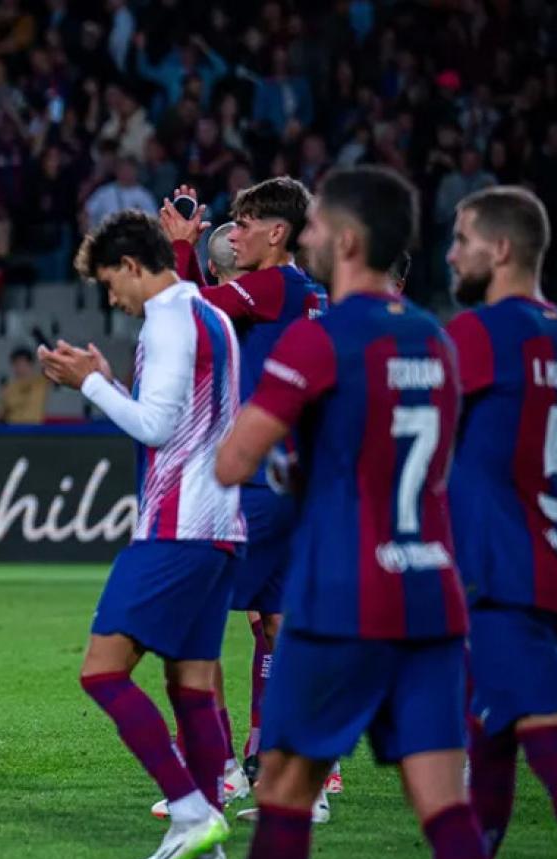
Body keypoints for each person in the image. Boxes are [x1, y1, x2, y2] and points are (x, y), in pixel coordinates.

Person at [214, 166, 491, 859]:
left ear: (350, 239)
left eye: (316, 226)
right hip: (432, 597)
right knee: (444, 809)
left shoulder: (320, 337)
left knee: (285, 793)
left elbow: (236, 461)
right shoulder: (437, 340)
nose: (304, 238)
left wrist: (291, 463)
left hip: (343, 597)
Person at [378, 186, 557, 859]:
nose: (450, 254)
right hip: (543, 564)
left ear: (499, 250)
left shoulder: (483, 333)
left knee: (553, 757)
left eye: (460, 239)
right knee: (485, 762)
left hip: (497, 579)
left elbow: (412, 415)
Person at [37, 209, 243, 859]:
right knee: (191, 687)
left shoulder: (169, 320)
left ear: (131, 266)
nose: (111, 299)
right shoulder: (212, 316)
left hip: (177, 526)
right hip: (222, 528)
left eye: (109, 283)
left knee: (101, 671)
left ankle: (190, 811)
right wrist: (110, 379)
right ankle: (205, 844)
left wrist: (89, 384)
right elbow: (185, 422)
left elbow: (156, 430)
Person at [159, 177, 330, 812]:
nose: (235, 232)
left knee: (187, 618)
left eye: (245, 222)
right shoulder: (311, 296)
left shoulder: (271, 284)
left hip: (255, 481)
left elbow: (185, 312)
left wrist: (180, 248)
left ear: (277, 233)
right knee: (282, 626)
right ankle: (302, 786)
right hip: (295, 480)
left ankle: (220, 769)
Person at [0, 348, 48, 424]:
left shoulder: (41, 382)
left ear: (30, 364)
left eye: (22, 363)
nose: (19, 368)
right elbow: (1, 416)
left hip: (35, 431)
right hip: (13, 431)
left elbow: (53, 367)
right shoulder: (8, 388)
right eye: (16, 364)